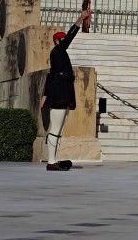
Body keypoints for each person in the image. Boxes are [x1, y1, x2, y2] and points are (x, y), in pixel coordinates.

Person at [41, 9, 89, 171]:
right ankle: (51, 161)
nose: (63, 41)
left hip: (60, 92)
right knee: (55, 129)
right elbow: (70, 37)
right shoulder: (58, 51)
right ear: (57, 41)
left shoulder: (58, 55)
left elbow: (50, 75)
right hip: (60, 93)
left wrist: (45, 95)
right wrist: (80, 20)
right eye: (61, 40)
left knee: (58, 128)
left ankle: (53, 159)